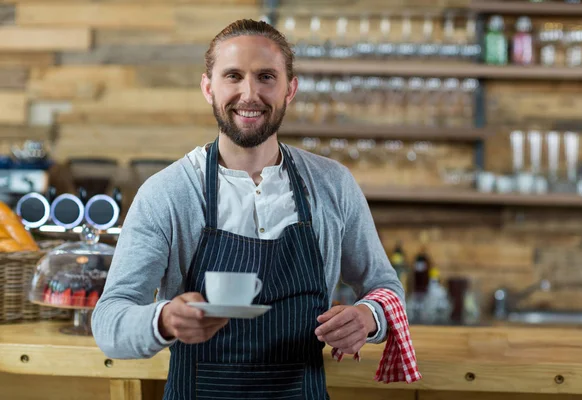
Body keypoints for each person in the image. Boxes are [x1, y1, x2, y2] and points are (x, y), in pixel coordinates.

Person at [92, 19, 420, 400]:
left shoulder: (333, 183)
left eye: (266, 76)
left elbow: (385, 287)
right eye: (233, 76)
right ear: (208, 87)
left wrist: (370, 317)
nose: (249, 94)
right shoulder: (167, 193)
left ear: (290, 89)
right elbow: (109, 321)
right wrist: (163, 320)